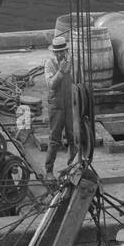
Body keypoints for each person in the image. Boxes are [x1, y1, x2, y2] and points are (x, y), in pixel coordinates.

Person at [44, 34, 73, 180]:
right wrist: (61, 72)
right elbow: (51, 85)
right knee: (54, 139)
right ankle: (49, 171)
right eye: (57, 52)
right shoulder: (49, 64)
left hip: (70, 106)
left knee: (73, 138)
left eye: (62, 51)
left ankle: (71, 168)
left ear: (66, 51)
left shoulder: (72, 63)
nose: (60, 54)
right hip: (56, 106)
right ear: (54, 52)